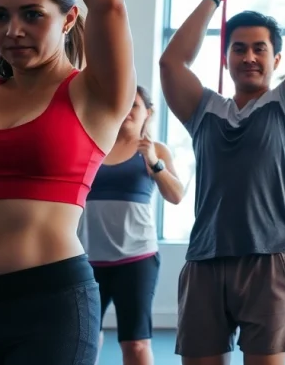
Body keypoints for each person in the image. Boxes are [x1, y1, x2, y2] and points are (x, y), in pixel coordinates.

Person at [0, 0, 136, 364]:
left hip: (49, 305)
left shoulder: (92, 95)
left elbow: (110, 4)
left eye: (32, 14)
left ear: (69, 18)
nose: (12, 31)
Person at [158, 0, 285, 365]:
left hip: (269, 261)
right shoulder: (205, 111)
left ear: (276, 60)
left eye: (259, 48)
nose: (249, 56)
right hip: (205, 260)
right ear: (226, 58)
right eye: (238, 48)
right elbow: (171, 63)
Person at [81, 85, 185, 365]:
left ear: (148, 113)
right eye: (122, 104)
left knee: (136, 344)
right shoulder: (93, 146)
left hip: (137, 259)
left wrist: (153, 162)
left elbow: (176, 195)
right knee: (85, 339)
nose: (127, 111)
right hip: (89, 261)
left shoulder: (156, 150)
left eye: (134, 105)